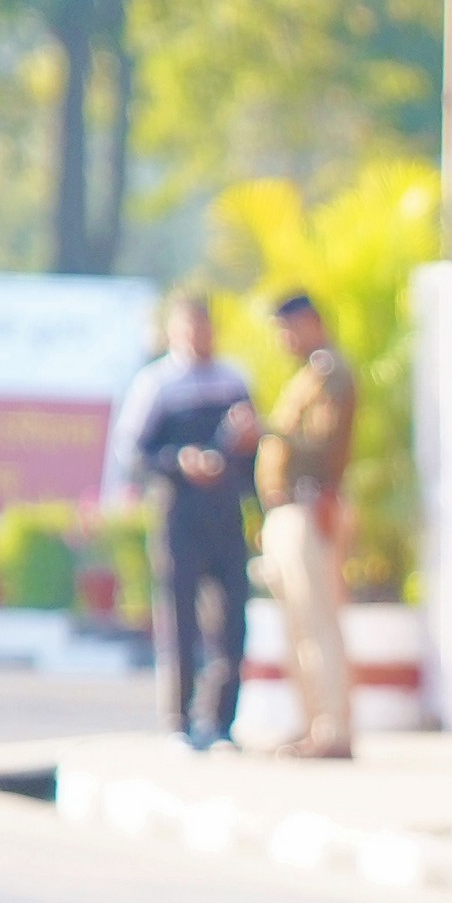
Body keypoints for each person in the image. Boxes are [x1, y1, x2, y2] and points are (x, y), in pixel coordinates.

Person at [131, 294, 258, 748]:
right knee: (180, 621)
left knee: (231, 623)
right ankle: (179, 722)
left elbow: (255, 451)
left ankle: (220, 722)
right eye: (190, 329)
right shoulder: (157, 384)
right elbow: (136, 453)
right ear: (174, 332)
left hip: (225, 515)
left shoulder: (233, 379)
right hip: (179, 515)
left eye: (205, 328)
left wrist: (244, 445)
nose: (199, 337)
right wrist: (179, 462)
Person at [256, 290, 358, 761]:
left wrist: (267, 431)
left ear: (310, 322)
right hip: (287, 510)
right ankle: (314, 724)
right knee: (297, 628)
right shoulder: (310, 374)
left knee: (317, 625)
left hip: (310, 506)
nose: (284, 339)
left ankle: (333, 730)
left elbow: (321, 447)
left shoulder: (331, 373)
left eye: (288, 328)